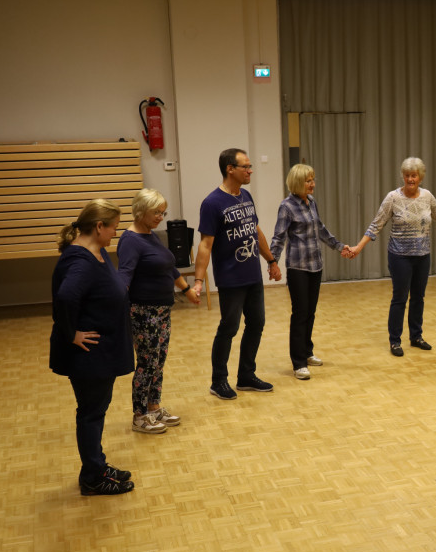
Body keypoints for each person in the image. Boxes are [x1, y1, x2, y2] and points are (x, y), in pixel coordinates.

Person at [347, 157, 436, 356]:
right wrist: (359, 247)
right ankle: (395, 341)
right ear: (403, 176)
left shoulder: (427, 196)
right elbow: (376, 224)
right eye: (407, 175)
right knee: (400, 298)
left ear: (420, 177)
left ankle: (416, 336)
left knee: (418, 298)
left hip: (422, 256)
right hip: (399, 256)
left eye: (414, 175)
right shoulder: (393, 198)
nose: (410, 179)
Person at [50, 199, 135, 495]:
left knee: (96, 410)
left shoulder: (95, 252)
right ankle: (91, 477)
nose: (115, 233)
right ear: (99, 226)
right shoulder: (80, 260)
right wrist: (71, 333)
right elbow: (65, 297)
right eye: (113, 227)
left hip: (102, 353)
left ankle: (96, 465)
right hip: (88, 356)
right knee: (91, 413)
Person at [192, 148, 282, 399]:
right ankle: (218, 381)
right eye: (246, 167)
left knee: (257, 324)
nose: (250, 171)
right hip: (231, 279)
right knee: (229, 328)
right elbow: (205, 245)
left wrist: (271, 260)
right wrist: (198, 281)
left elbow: (255, 231)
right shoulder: (212, 203)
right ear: (230, 169)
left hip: (253, 275)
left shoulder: (246, 196)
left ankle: (246, 376)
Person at [117, 189, 201, 434]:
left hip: (162, 311)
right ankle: (139, 416)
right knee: (146, 363)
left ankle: (153, 407)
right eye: (156, 212)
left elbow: (169, 267)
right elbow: (124, 277)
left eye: (163, 212)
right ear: (140, 210)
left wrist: (187, 290)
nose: (160, 217)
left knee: (158, 361)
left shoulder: (150, 235)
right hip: (143, 312)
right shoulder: (130, 240)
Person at [270, 164, 354, 380]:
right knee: (300, 314)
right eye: (308, 181)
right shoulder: (286, 206)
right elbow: (279, 236)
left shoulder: (311, 202)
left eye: (313, 180)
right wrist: (273, 262)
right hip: (298, 267)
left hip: (316, 265)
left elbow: (321, 229)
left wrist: (339, 246)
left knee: (310, 312)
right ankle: (298, 363)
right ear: (298, 182)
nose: (312, 184)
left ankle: (307, 352)